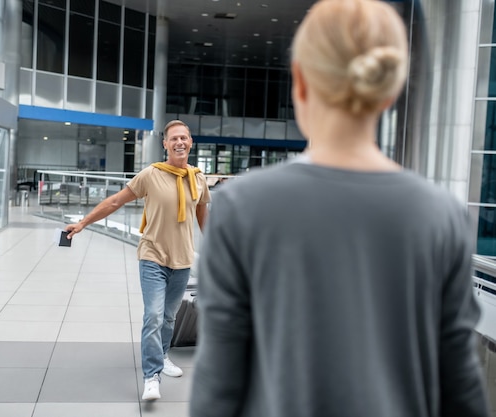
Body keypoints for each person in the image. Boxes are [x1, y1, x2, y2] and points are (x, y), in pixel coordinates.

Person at [190, 1, 490, 417]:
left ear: (299, 80)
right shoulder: (443, 216)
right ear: (390, 88)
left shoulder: (240, 207)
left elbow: (218, 387)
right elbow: (461, 385)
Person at [64, 119, 210, 401]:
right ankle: (151, 376)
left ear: (191, 143)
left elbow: (202, 215)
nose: (180, 142)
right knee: (153, 315)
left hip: (182, 260)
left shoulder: (198, 178)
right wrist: (83, 223)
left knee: (168, 317)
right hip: (153, 256)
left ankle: (163, 355)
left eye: (184, 138)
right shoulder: (151, 174)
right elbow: (116, 201)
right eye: (174, 139)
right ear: (165, 145)